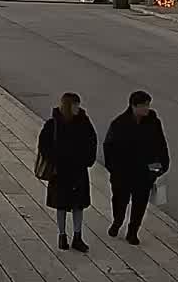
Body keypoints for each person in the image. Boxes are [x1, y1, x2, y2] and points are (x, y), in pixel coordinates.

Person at [103, 90, 170, 245]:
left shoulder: (153, 123)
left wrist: (157, 170)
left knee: (140, 203)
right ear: (133, 106)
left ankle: (133, 231)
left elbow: (161, 147)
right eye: (143, 106)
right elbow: (109, 147)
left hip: (144, 173)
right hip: (123, 173)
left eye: (148, 105)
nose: (146, 109)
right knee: (120, 201)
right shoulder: (119, 123)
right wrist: (114, 169)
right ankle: (117, 221)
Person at [38, 92, 97, 252]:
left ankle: (77, 236)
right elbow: (44, 145)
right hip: (60, 172)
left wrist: (87, 160)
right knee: (61, 205)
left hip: (78, 170)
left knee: (79, 205)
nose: (78, 107)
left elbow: (92, 141)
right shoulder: (53, 124)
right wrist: (55, 160)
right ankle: (62, 235)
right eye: (75, 105)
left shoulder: (84, 122)